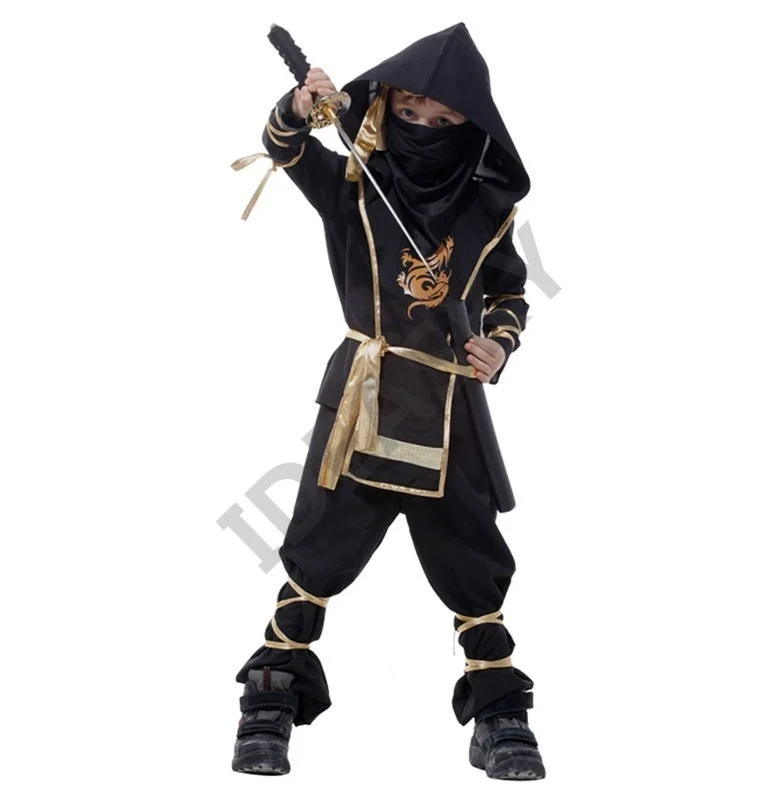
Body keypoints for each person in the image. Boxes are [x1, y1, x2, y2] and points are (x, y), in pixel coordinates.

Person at [230, 22, 545, 781]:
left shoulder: (485, 210)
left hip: (448, 406)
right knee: (317, 546)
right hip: (362, 397)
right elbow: (285, 148)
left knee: (471, 556)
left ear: (472, 124)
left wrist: (498, 344)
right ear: (385, 107)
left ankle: (498, 711)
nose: (424, 127)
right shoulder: (354, 187)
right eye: (409, 113)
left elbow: (509, 292)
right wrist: (299, 108)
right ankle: (272, 694)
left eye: (444, 119)